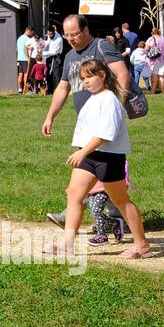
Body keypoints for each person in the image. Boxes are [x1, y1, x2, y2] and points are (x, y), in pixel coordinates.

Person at [48, 57, 151, 259]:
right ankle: (67, 244)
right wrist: (84, 151)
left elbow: (105, 134)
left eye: (89, 77)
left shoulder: (110, 99)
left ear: (102, 75)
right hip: (89, 155)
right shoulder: (93, 98)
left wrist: (82, 152)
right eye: (82, 78)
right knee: (74, 193)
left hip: (108, 157)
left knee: (121, 200)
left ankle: (142, 245)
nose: (85, 82)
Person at [42, 14, 132, 242]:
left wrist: (117, 110)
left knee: (103, 171)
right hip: (87, 123)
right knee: (93, 177)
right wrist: (50, 116)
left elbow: (122, 74)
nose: (70, 39)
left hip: (104, 122)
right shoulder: (70, 55)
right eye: (67, 35)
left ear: (85, 30)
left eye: (74, 34)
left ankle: (118, 219)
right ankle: (113, 217)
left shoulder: (102, 46)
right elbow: (63, 87)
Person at [144, 26, 164, 94]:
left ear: (151, 33)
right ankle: (163, 91)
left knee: (154, 76)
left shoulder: (150, 39)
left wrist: (145, 51)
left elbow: (146, 48)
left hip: (154, 59)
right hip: (163, 59)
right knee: (161, 76)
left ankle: (153, 91)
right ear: (159, 32)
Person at [42, 24, 65, 92]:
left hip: (56, 57)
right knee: (48, 74)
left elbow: (54, 52)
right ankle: (49, 90)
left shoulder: (59, 39)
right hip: (48, 57)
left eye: (51, 34)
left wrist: (43, 53)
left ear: (54, 32)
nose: (50, 36)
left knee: (56, 74)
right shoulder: (48, 35)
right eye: (49, 34)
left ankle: (57, 91)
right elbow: (45, 43)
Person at [15, 26, 36, 95]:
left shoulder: (19, 38)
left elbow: (17, 49)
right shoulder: (28, 39)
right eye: (31, 33)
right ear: (28, 31)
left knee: (20, 74)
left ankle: (20, 89)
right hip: (25, 59)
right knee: (26, 75)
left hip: (19, 59)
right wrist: (28, 57)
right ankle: (26, 90)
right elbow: (26, 48)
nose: (31, 34)